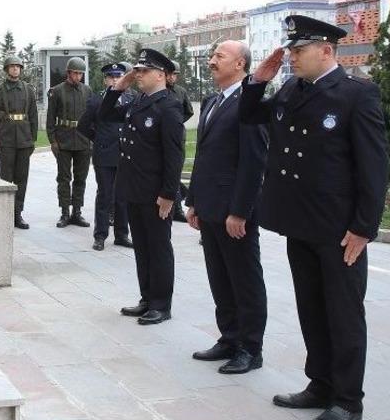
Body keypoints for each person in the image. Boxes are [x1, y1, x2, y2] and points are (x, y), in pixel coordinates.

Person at [239, 14, 388, 420]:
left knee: (342, 313)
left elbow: (373, 168)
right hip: (299, 222)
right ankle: (319, 385)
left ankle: (347, 399)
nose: (291, 58)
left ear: (326, 50)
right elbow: (251, 117)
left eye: (298, 50)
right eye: (289, 50)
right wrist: (257, 81)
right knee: (311, 308)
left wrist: (363, 227)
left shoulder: (357, 94)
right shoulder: (291, 88)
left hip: (339, 229)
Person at [185, 41, 268, 374]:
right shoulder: (214, 101)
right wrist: (193, 202)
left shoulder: (251, 101)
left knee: (244, 279)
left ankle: (251, 348)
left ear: (241, 64)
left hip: (235, 212)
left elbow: (254, 161)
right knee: (220, 277)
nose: (211, 61)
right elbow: (206, 157)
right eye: (212, 55)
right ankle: (229, 337)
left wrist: (241, 211)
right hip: (210, 206)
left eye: (219, 56)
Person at [95, 48, 185, 324]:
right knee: (143, 247)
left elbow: (174, 154)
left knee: (158, 247)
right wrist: (118, 88)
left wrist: (169, 194)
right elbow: (105, 115)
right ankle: (147, 298)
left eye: (144, 71)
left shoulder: (168, 106)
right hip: (133, 188)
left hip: (155, 192)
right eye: (138, 70)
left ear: (160, 75)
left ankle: (161, 303)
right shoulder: (138, 102)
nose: (139, 75)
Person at [77, 62, 134, 251]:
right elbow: (83, 126)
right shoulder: (97, 100)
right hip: (104, 155)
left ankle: (122, 234)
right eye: (111, 77)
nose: (115, 80)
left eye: (118, 76)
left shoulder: (131, 98)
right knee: (105, 195)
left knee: (123, 196)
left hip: (125, 155)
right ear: (105, 80)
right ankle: (100, 235)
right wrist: (99, 139)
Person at [0, 55, 39, 229]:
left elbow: (33, 115)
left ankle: (17, 213)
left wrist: (32, 139)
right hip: (6, 138)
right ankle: (4, 214)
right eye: (11, 67)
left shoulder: (28, 90)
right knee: (5, 178)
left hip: (24, 139)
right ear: (6, 69)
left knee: (21, 178)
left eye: (17, 67)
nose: (15, 69)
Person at [47, 57, 92, 228]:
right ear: (68, 73)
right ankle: (65, 212)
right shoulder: (57, 91)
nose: (78, 76)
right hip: (63, 140)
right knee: (64, 178)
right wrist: (53, 141)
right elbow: (51, 118)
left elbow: (92, 117)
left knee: (81, 178)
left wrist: (91, 140)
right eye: (75, 73)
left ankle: (77, 212)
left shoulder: (87, 91)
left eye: (81, 73)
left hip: (82, 140)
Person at [165, 67, 194, 223]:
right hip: (160, 139)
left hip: (178, 137)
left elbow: (189, 111)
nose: (172, 77)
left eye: (175, 74)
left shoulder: (180, 92)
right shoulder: (159, 90)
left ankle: (176, 209)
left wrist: (176, 122)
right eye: (170, 74)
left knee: (175, 171)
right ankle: (173, 207)